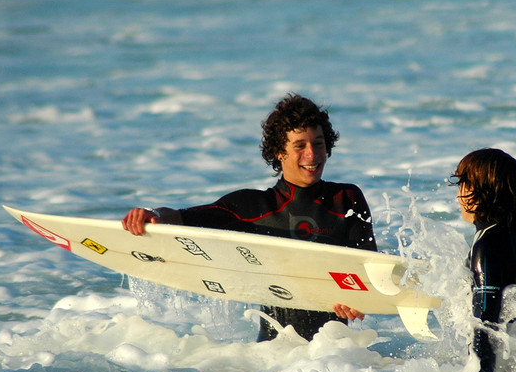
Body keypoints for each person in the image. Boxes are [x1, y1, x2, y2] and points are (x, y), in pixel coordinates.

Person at [122, 93, 376, 341]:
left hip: (338, 357)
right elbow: (183, 218)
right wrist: (152, 215)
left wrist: (357, 300)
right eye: (300, 145)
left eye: (318, 143)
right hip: (271, 356)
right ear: (279, 151)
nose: (312, 154)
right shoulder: (252, 207)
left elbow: (369, 268)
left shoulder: (347, 199)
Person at [451, 148, 516, 372]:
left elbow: (484, 322)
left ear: (478, 192)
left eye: (462, 184)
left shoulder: (488, 243)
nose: (457, 195)